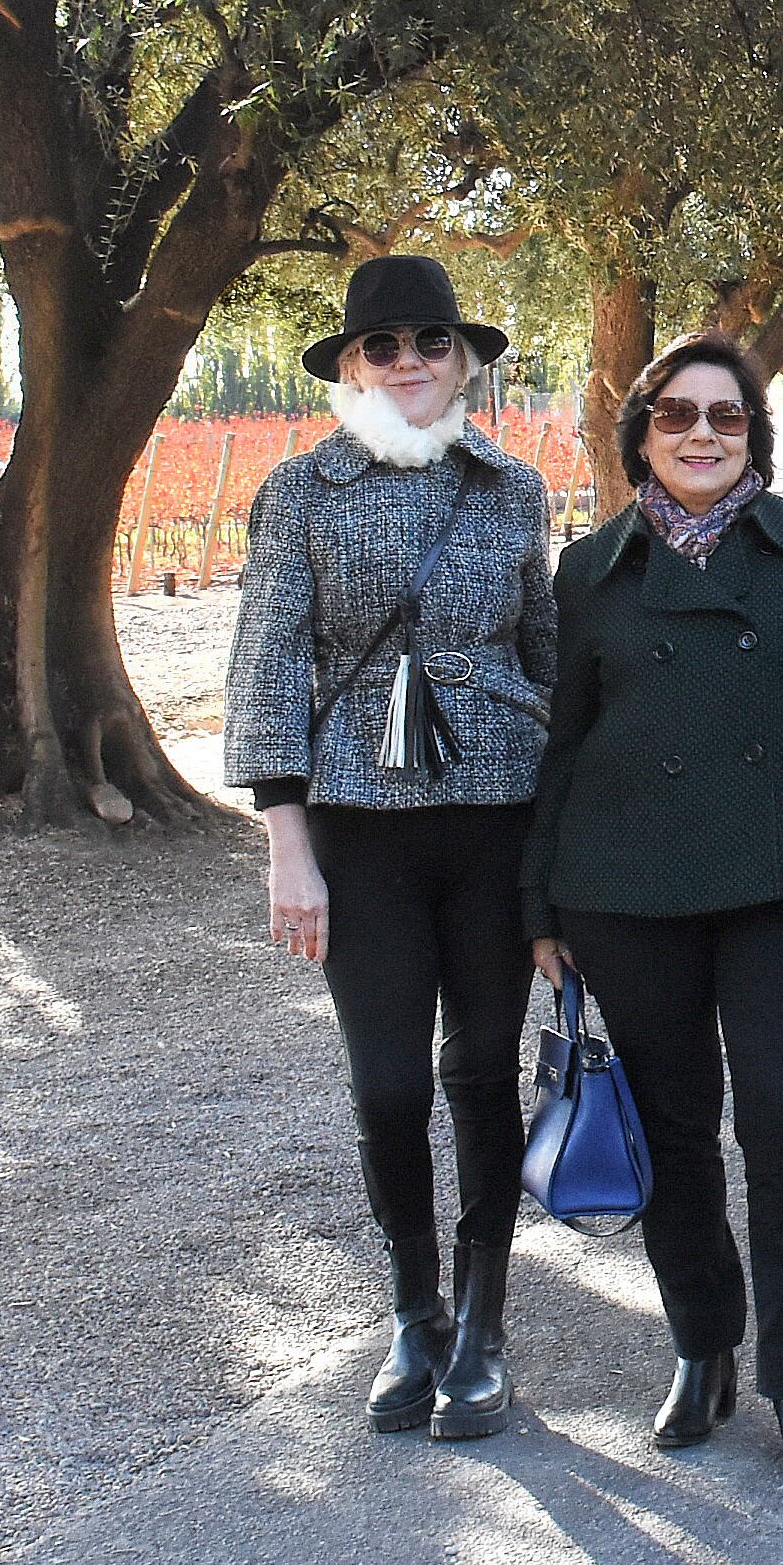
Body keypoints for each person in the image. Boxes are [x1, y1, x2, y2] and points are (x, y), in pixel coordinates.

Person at [524, 334, 783, 1484]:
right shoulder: (587, 572)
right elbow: (558, 746)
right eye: (676, 413)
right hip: (626, 889)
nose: (700, 434)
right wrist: (538, 903)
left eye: (725, 418)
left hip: (780, 887)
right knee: (672, 1130)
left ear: (753, 438)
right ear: (640, 432)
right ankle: (701, 1345)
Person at [224, 255, 559, 1442]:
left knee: (479, 1074)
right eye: (382, 345)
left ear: (463, 358)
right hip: (358, 825)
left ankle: (481, 1314)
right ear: (351, 366)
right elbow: (266, 663)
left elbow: (546, 653)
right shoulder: (302, 491)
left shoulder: (513, 490)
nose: (407, 360)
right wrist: (286, 846)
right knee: (386, 1082)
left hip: (494, 815)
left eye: (428, 339)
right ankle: (410, 1309)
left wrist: (560, 851)